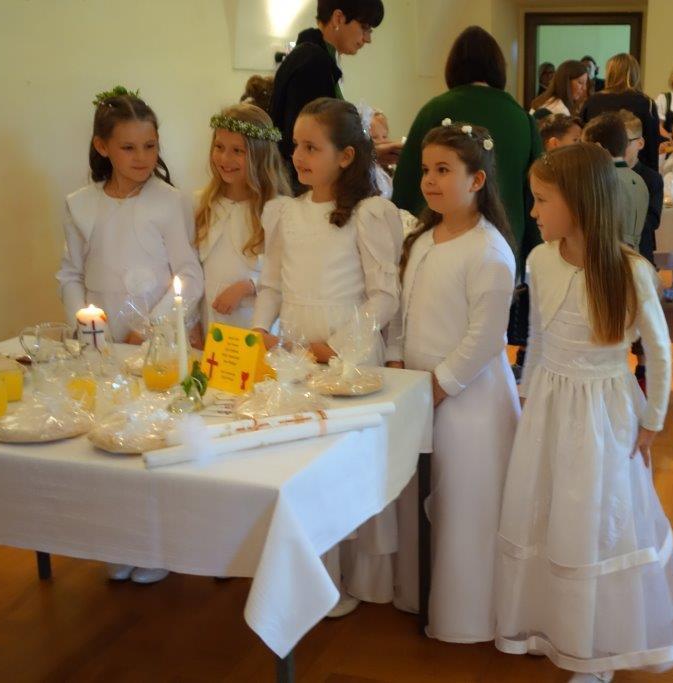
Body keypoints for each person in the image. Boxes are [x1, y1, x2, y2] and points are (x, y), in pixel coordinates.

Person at [495, 143, 673, 681]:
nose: (533, 211)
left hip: (604, 412)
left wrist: (652, 420)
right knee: (549, 512)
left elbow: (658, 350)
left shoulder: (630, 271)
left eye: (542, 200)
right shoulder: (540, 260)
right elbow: (539, 335)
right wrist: (526, 394)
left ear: (580, 202)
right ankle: (551, 622)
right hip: (549, 404)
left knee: (591, 519)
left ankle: (593, 648)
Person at [250, 99, 403, 616]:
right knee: (305, 465)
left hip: (348, 356)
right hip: (296, 353)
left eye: (312, 147)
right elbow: (271, 284)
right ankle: (315, 578)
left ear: (346, 156)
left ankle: (359, 577)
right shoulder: (285, 212)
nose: (298, 156)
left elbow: (384, 295)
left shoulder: (367, 213)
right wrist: (260, 332)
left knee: (346, 467)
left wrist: (337, 346)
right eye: (296, 145)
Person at [57, 86, 205, 584]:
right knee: (109, 439)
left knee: (152, 441)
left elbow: (189, 273)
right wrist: (86, 325)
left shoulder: (170, 202)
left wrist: (154, 329)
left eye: (150, 146)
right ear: (102, 147)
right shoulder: (80, 205)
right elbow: (70, 273)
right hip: (102, 342)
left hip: (153, 342)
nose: (142, 157)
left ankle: (158, 544)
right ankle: (119, 540)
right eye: (128, 147)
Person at [385, 122, 519, 644]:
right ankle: (419, 593)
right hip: (419, 391)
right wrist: (398, 361)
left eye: (444, 170)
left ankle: (466, 613)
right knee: (417, 497)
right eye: (425, 170)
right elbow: (404, 310)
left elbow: (485, 338)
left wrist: (438, 387)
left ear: (476, 180)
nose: (429, 180)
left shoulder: (489, 251)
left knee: (463, 506)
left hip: (469, 401)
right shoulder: (422, 239)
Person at [392, 26, 542, 274]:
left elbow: (405, 190)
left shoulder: (434, 110)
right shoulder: (522, 119)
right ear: (498, 67)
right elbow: (535, 193)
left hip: (442, 242)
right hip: (507, 243)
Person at [269, 0, 399, 184]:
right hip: (302, 185)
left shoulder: (315, 56)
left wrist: (369, 152)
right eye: (364, 27)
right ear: (338, 18)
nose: (368, 38)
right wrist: (369, 154)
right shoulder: (313, 62)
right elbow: (309, 142)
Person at [191, 104, 289, 343]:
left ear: (260, 155)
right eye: (219, 147)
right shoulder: (201, 204)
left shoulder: (278, 210)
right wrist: (192, 322)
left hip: (255, 326)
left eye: (238, 151)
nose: (225, 159)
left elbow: (288, 273)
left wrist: (248, 286)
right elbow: (191, 268)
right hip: (210, 324)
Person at [582, 53, 661, 171]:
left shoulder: (592, 101)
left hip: (597, 169)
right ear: (635, 73)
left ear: (609, 73)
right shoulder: (646, 103)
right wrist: (652, 176)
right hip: (634, 170)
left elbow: (583, 140)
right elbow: (652, 145)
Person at [582, 112, 648, 250]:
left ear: (598, 148)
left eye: (584, 149)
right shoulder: (639, 179)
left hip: (609, 255)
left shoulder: (602, 182)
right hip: (634, 255)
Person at [618, 110, 664, 264]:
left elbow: (653, 220)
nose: (618, 147)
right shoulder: (605, 175)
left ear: (640, 143)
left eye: (625, 142)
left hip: (640, 252)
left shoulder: (652, 178)